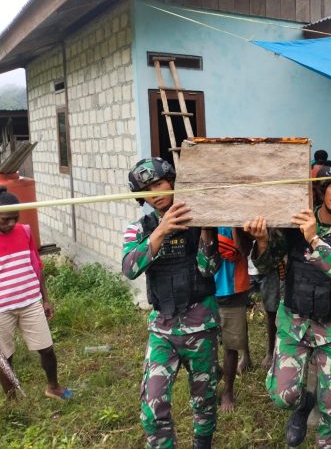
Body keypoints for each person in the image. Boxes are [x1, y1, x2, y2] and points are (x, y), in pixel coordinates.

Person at [244, 162, 331, 448]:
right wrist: (263, 241)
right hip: (294, 323)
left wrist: (313, 238)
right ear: (325, 187)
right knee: (282, 395)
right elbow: (264, 266)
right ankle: (303, 404)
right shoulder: (296, 220)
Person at [123, 157, 220, 449]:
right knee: (153, 405)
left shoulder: (197, 221)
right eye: (148, 188)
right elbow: (130, 268)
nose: (156, 191)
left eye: (160, 183)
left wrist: (205, 229)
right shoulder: (139, 228)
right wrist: (161, 231)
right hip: (163, 329)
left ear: (173, 182)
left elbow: (209, 269)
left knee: (204, 398)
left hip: (200, 324)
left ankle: (203, 443)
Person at [0, 187, 71, 400]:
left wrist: (45, 299)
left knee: (47, 349)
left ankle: (53, 387)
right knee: (4, 358)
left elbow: (36, 265)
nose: (11, 223)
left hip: (30, 303)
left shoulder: (24, 231)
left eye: (15, 218)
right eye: (6, 219)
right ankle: (12, 402)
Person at [214, 226, 252, 413]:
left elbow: (245, 250)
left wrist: (235, 224)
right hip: (204, 289)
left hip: (233, 289)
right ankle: (215, 375)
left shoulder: (240, 218)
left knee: (231, 344)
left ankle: (228, 391)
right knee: (204, 345)